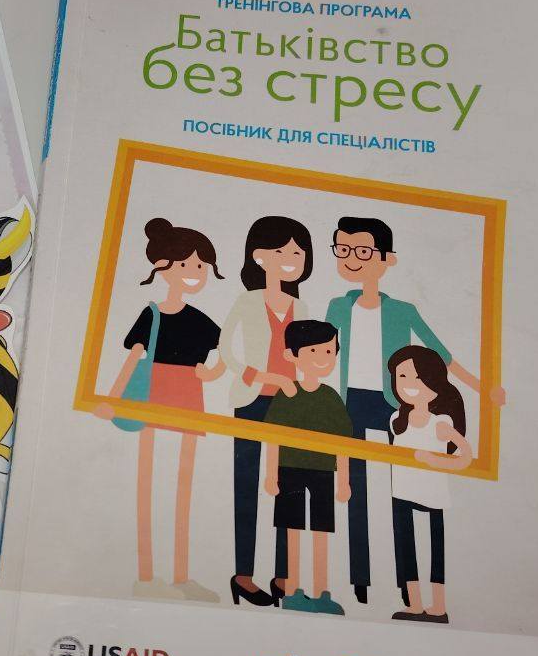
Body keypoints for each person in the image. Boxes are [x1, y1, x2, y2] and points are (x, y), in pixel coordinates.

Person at [324, 216, 504, 606]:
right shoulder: (337, 306)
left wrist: (481, 388)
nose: (352, 258)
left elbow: (440, 354)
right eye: (344, 249)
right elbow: (322, 353)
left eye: (363, 251)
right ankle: (360, 577)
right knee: (354, 488)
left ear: (387, 259)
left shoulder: (403, 310)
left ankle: (408, 587)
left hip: (396, 404)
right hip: (350, 400)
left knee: (400, 492)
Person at [95, 218, 225, 602]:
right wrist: (112, 399)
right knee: (147, 482)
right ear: (162, 267)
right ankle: (147, 577)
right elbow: (133, 357)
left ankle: (182, 577)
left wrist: (210, 373)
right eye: (186, 264)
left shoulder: (201, 320)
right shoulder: (150, 315)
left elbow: (225, 357)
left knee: (183, 486)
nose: (194, 272)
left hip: (189, 395)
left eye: (200, 265)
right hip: (153, 392)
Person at [219, 216, 313, 607]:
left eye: (298, 252)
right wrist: (258, 375)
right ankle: (243, 575)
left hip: (290, 403)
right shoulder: (247, 300)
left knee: (288, 486)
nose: (292, 258)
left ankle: (283, 574)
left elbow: (307, 356)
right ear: (259, 256)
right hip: (252, 398)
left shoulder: (300, 305)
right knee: (246, 484)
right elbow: (226, 348)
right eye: (282, 251)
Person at [261, 320, 353, 614]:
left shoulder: (330, 397)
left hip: (323, 471)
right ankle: (293, 590)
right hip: (289, 468)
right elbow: (273, 436)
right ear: (292, 355)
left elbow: (344, 442)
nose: (322, 358)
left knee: (321, 531)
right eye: (313, 351)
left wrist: (344, 480)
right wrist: (270, 474)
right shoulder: (286, 395)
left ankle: (322, 593)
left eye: (328, 351)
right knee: (293, 529)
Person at [386, 346, 472, 624]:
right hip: (401, 491)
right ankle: (415, 604)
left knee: (434, 547)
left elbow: (465, 456)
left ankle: (438, 606)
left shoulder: (441, 423)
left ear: (433, 380)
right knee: (406, 547)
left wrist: (435, 461)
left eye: (417, 377)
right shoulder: (396, 420)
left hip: (433, 493)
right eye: (402, 377)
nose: (408, 384)